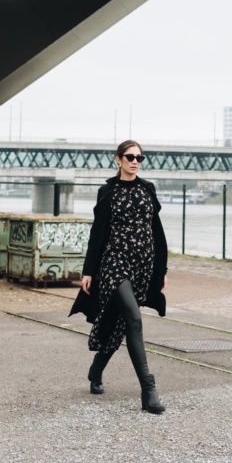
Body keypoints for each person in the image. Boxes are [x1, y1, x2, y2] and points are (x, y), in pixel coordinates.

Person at [69, 139, 169, 414]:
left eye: (139, 157)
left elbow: (157, 233)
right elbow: (97, 233)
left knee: (120, 323)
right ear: (118, 159)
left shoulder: (147, 189)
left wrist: (161, 271)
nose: (135, 161)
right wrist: (89, 270)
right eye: (129, 156)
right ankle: (148, 391)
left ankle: (97, 368)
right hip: (115, 264)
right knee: (134, 319)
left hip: (142, 266)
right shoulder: (108, 191)